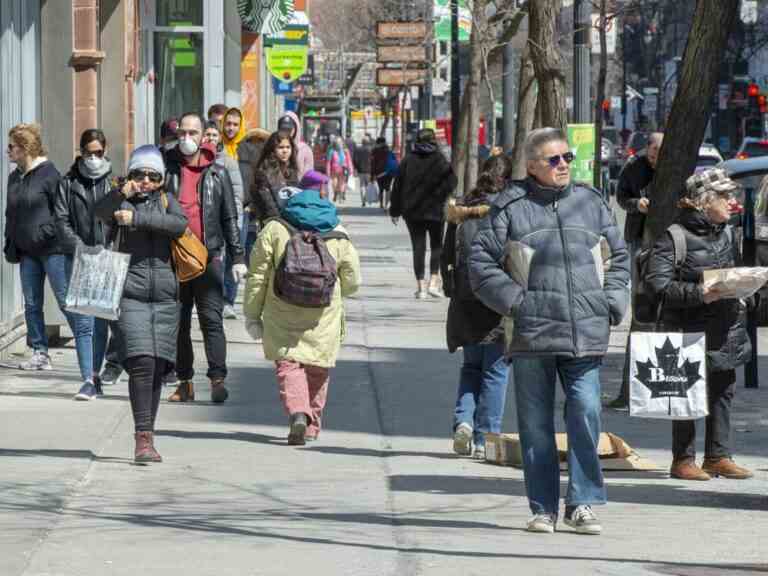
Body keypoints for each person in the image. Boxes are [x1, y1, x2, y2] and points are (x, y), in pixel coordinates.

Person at [470, 127, 630, 535]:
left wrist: (611, 301)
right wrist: (518, 303)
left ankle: (582, 502)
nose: (563, 166)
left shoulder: (590, 203)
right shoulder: (509, 206)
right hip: (533, 334)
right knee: (536, 425)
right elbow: (480, 265)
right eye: (554, 160)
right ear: (531, 166)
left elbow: (620, 257)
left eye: (567, 158)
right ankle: (543, 507)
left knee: (586, 412)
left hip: (585, 329)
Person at [646, 168, 753, 481]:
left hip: (725, 328)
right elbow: (657, 285)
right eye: (725, 196)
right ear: (705, 202)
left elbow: (732, 271)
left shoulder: (727, 232)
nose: (731, 201)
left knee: (723, 391)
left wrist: (748, 287)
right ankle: (683, 460)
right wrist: (698, 294)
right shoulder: (675, 236)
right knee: (685, 395)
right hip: (687, 329)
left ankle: (718, 456)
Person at [243, 170, 361, 445]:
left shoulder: (275, 228)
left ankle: (298, 411)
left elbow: (257, 275)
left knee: (288, 364)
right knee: (318, 366)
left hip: (281, 310)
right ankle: (312, 425)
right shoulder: (339, 233)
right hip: (323, 314)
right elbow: (353, 282)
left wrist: (252, 314)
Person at [94, 145, 188, 462]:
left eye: (152, 175)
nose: (145, 180)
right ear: (131, 175)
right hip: (128, 291)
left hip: (164, 296)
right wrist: (122, 192)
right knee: (141, 363)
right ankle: (142, 439)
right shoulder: (119, 199)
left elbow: (179, 224)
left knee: (159, 366)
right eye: (139, 174)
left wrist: (138, 218)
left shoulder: (165, 201)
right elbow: (96, 214)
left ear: (161, 179)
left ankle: (149, 432)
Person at [4, 124, 99, 395]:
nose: (7, 151)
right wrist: (10, 242)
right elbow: (11, 214)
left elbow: (60, 214)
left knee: (65, 300)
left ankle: (87, 352)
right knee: (32, 302)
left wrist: (43, 234)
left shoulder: (50, 175)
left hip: (53, 249)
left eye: (12, 146)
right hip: (27, 251)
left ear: (25, 148)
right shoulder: (15, 177)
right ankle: (39, 352)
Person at [164, 112, 246, 404]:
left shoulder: (217, 172)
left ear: (204, 135)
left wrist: (238, 256)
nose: (187, 138)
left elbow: (229, 217)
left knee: (211, 320)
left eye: (193, 133)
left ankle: (217, 379)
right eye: (182, 132)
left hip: (209, 258)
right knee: (179, 323)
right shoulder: (166, 168)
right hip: (174, 258)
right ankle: (185, 382)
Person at [442, 155, 512, 460]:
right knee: (496, 371)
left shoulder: (461, 212)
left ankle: (465, 422)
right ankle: (486, 436)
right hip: (497, 302)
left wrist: (452, 291)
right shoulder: (507, 212)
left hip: (464, 302)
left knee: (471, 367)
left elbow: (445, 256)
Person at [54, 128, 114, 400]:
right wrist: (80, 248)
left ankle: (97, 374)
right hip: (78, 258)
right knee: (84, 324)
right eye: (89, 153)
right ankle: (87, 379)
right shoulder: (68, 183)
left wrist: (108, 248)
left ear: (105, 151)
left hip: (105, 257)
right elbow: (61, 221)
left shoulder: (113, 182)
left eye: (98, 153)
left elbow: (119, 220)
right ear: (81, 152)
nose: (93, 158)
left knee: (101, 324)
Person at [611, 132, 663, 410]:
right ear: (647, 150)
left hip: (664, 238)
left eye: (660, 152)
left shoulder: (673, 166)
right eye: (653, 152)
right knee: (640, 298)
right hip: (638, 236)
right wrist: (636, 205)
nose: (656, 157)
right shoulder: (634, 167)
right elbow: (621, 197)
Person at [390, 128, 456, 299]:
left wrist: (395, 210)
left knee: (418, 247)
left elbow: (397, 186)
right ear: (434, 140)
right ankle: (434, 282)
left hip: (413, 212)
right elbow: (452, 182)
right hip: (436, 211)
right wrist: (442, 195)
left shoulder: (408, 160)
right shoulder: (440, 160)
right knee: (436, 245)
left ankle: (421, 287)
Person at [203, 120, 246, 320]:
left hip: (224, 222)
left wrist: (234, 222)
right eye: (207, 134)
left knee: (226, 264)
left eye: (214, 134)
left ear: (219, 137)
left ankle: (226, 300)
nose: (210, 138)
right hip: (204, 224)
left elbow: (237, 194)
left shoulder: (228, 161)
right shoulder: (197, 160)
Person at [249, 130, 300, 229]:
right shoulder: (264, 172)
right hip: (273, 224)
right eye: (280, 147)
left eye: (288, 147)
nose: (285, 151)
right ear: (272, 149)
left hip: (291, 222)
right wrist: (283, 224)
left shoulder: (291, 170)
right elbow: (269, 206)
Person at [277, 112, 314, 178]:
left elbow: (308, 175)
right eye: (283, 128)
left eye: (289, 129)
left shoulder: (305, 149)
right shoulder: (274, 147)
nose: (287, 132)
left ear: (296, 128)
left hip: (299, 187)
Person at [371, 137, 396, 209]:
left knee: (381, 189)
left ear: (378, 143)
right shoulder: (389, 150)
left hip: (379, 172)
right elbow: (394, 162)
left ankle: (381, 204)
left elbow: (373, 164)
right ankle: (387, 204)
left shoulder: (375, 151)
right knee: (388, 188)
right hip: (389, 172)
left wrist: (372, 175)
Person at [327, 136, 353, 204]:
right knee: (334, 184)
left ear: (342, 143)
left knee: (342, 184)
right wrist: (328, 171)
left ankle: (341, 196)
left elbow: (349, 160)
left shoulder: (345, 151)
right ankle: (335, 192)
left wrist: (350, 169)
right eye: (337, 142)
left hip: (343, 169)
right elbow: (328, 162)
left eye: (340, 142)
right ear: (335, 143)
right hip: (334, 170)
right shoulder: (331, 151)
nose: (339, 143)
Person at [353, 134, 374, 206]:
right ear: (368, 142)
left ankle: (363, 201)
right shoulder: (372, 149)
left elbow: (355, 160)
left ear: (362, 142)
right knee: (368, 185)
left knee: (362, 186)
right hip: (369, 170)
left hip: (360, 170)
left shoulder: (358, 149)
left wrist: (356, 167)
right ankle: (368, 199)